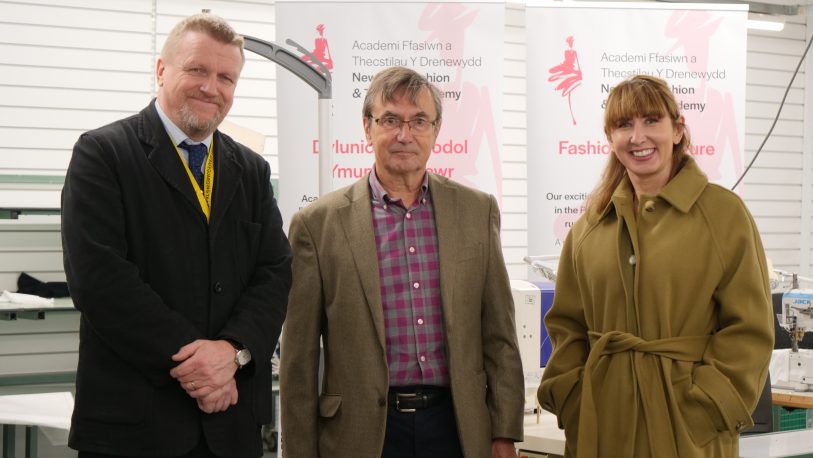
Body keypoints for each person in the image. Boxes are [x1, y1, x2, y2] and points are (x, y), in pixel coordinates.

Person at [61, 13, 292, 458]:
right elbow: (101, 280)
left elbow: (274, 272)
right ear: (162, 69)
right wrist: (200, 367)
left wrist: (235, 351)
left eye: (226, 77)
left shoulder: (251, 169)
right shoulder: (103, 154)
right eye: (197, 70)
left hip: (231, 424)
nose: (212, 87)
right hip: (135, 426)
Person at [280, 66, 525, 458]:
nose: (404, 135)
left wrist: (504, 432)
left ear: (436, 130)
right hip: (360, 436)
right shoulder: (317, 224)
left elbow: (499, 335)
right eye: (390, 120)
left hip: (458, 429)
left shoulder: (477, 211)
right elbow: (298, 359)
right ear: (367, 127)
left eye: (419, 121)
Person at [537, 74, 774, 457]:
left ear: (678, 130)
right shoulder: (590, 226)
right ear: (610, 140)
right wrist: (573, 399)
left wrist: (704, 409)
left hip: (687, 431)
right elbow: (566, 326)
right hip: (601, 424)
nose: (638, 136)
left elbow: (750, 329)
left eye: (651, 121)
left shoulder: (723, 216)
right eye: (623, 125)